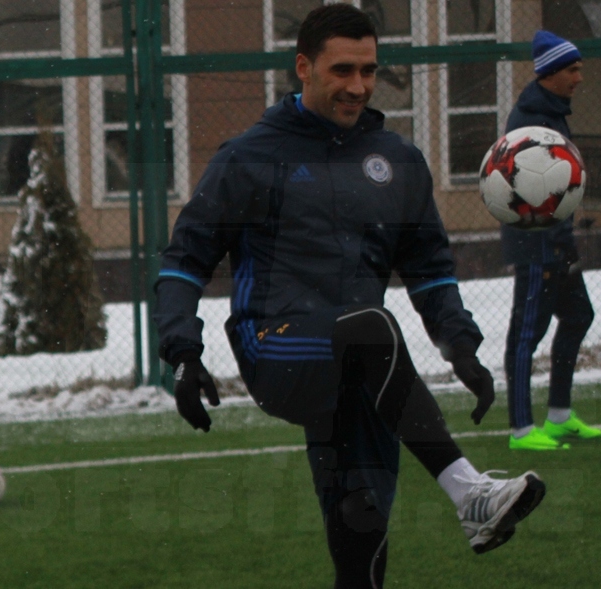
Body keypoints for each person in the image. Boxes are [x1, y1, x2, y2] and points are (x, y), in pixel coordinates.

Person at [154, 5, 546, 587]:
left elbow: (430, 268)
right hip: (278, 350)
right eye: (342, 70)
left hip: (367, 370)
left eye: (368, 70)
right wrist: (183, 352)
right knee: (370, 325)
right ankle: (468, 493)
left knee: (361, 540)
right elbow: (184, 260)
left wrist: (461, 345)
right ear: (303, 68)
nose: (358, 86)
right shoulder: (249, 158)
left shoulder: (398, 161)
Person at [502, 31, 601, 451]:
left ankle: (559, 415)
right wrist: (555, 241)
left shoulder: (551, 112)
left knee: (578, 315)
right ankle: (522, 430)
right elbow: (534, 194)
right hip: (537, 242)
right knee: (527, 333)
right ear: (550, 73)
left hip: (557, 240)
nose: (580, 77)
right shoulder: (531, 122)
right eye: (573, 69)